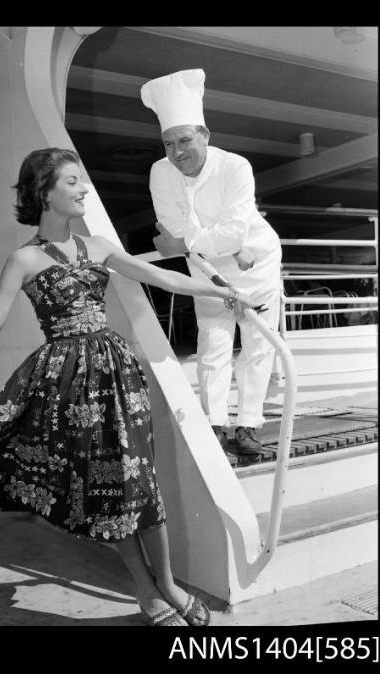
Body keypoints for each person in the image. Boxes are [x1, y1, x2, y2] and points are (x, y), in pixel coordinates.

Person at [0, 147, 254, 627]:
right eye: (73, 181)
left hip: (117, 375)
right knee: (109, 490)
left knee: (141, 483)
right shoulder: (23, 259)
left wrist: (221, 291)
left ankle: (168, 585)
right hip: (67, 389)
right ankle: (145, 590)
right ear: (45, 192)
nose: (84, 188)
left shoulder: (100, 247)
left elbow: (161, 277)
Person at [141, 69, 282, 457]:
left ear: (205, 135)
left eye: (185, 140)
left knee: (257, 343)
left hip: (258, 264)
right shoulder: (160, 172)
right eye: (168, 143)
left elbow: (230, 232)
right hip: (205, 268)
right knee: (213, 342)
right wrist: (217, 242)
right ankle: (215, 425)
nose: (177, 152)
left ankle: (248, 425)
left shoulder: (235, 166)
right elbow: (172, 230)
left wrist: (208, 241)